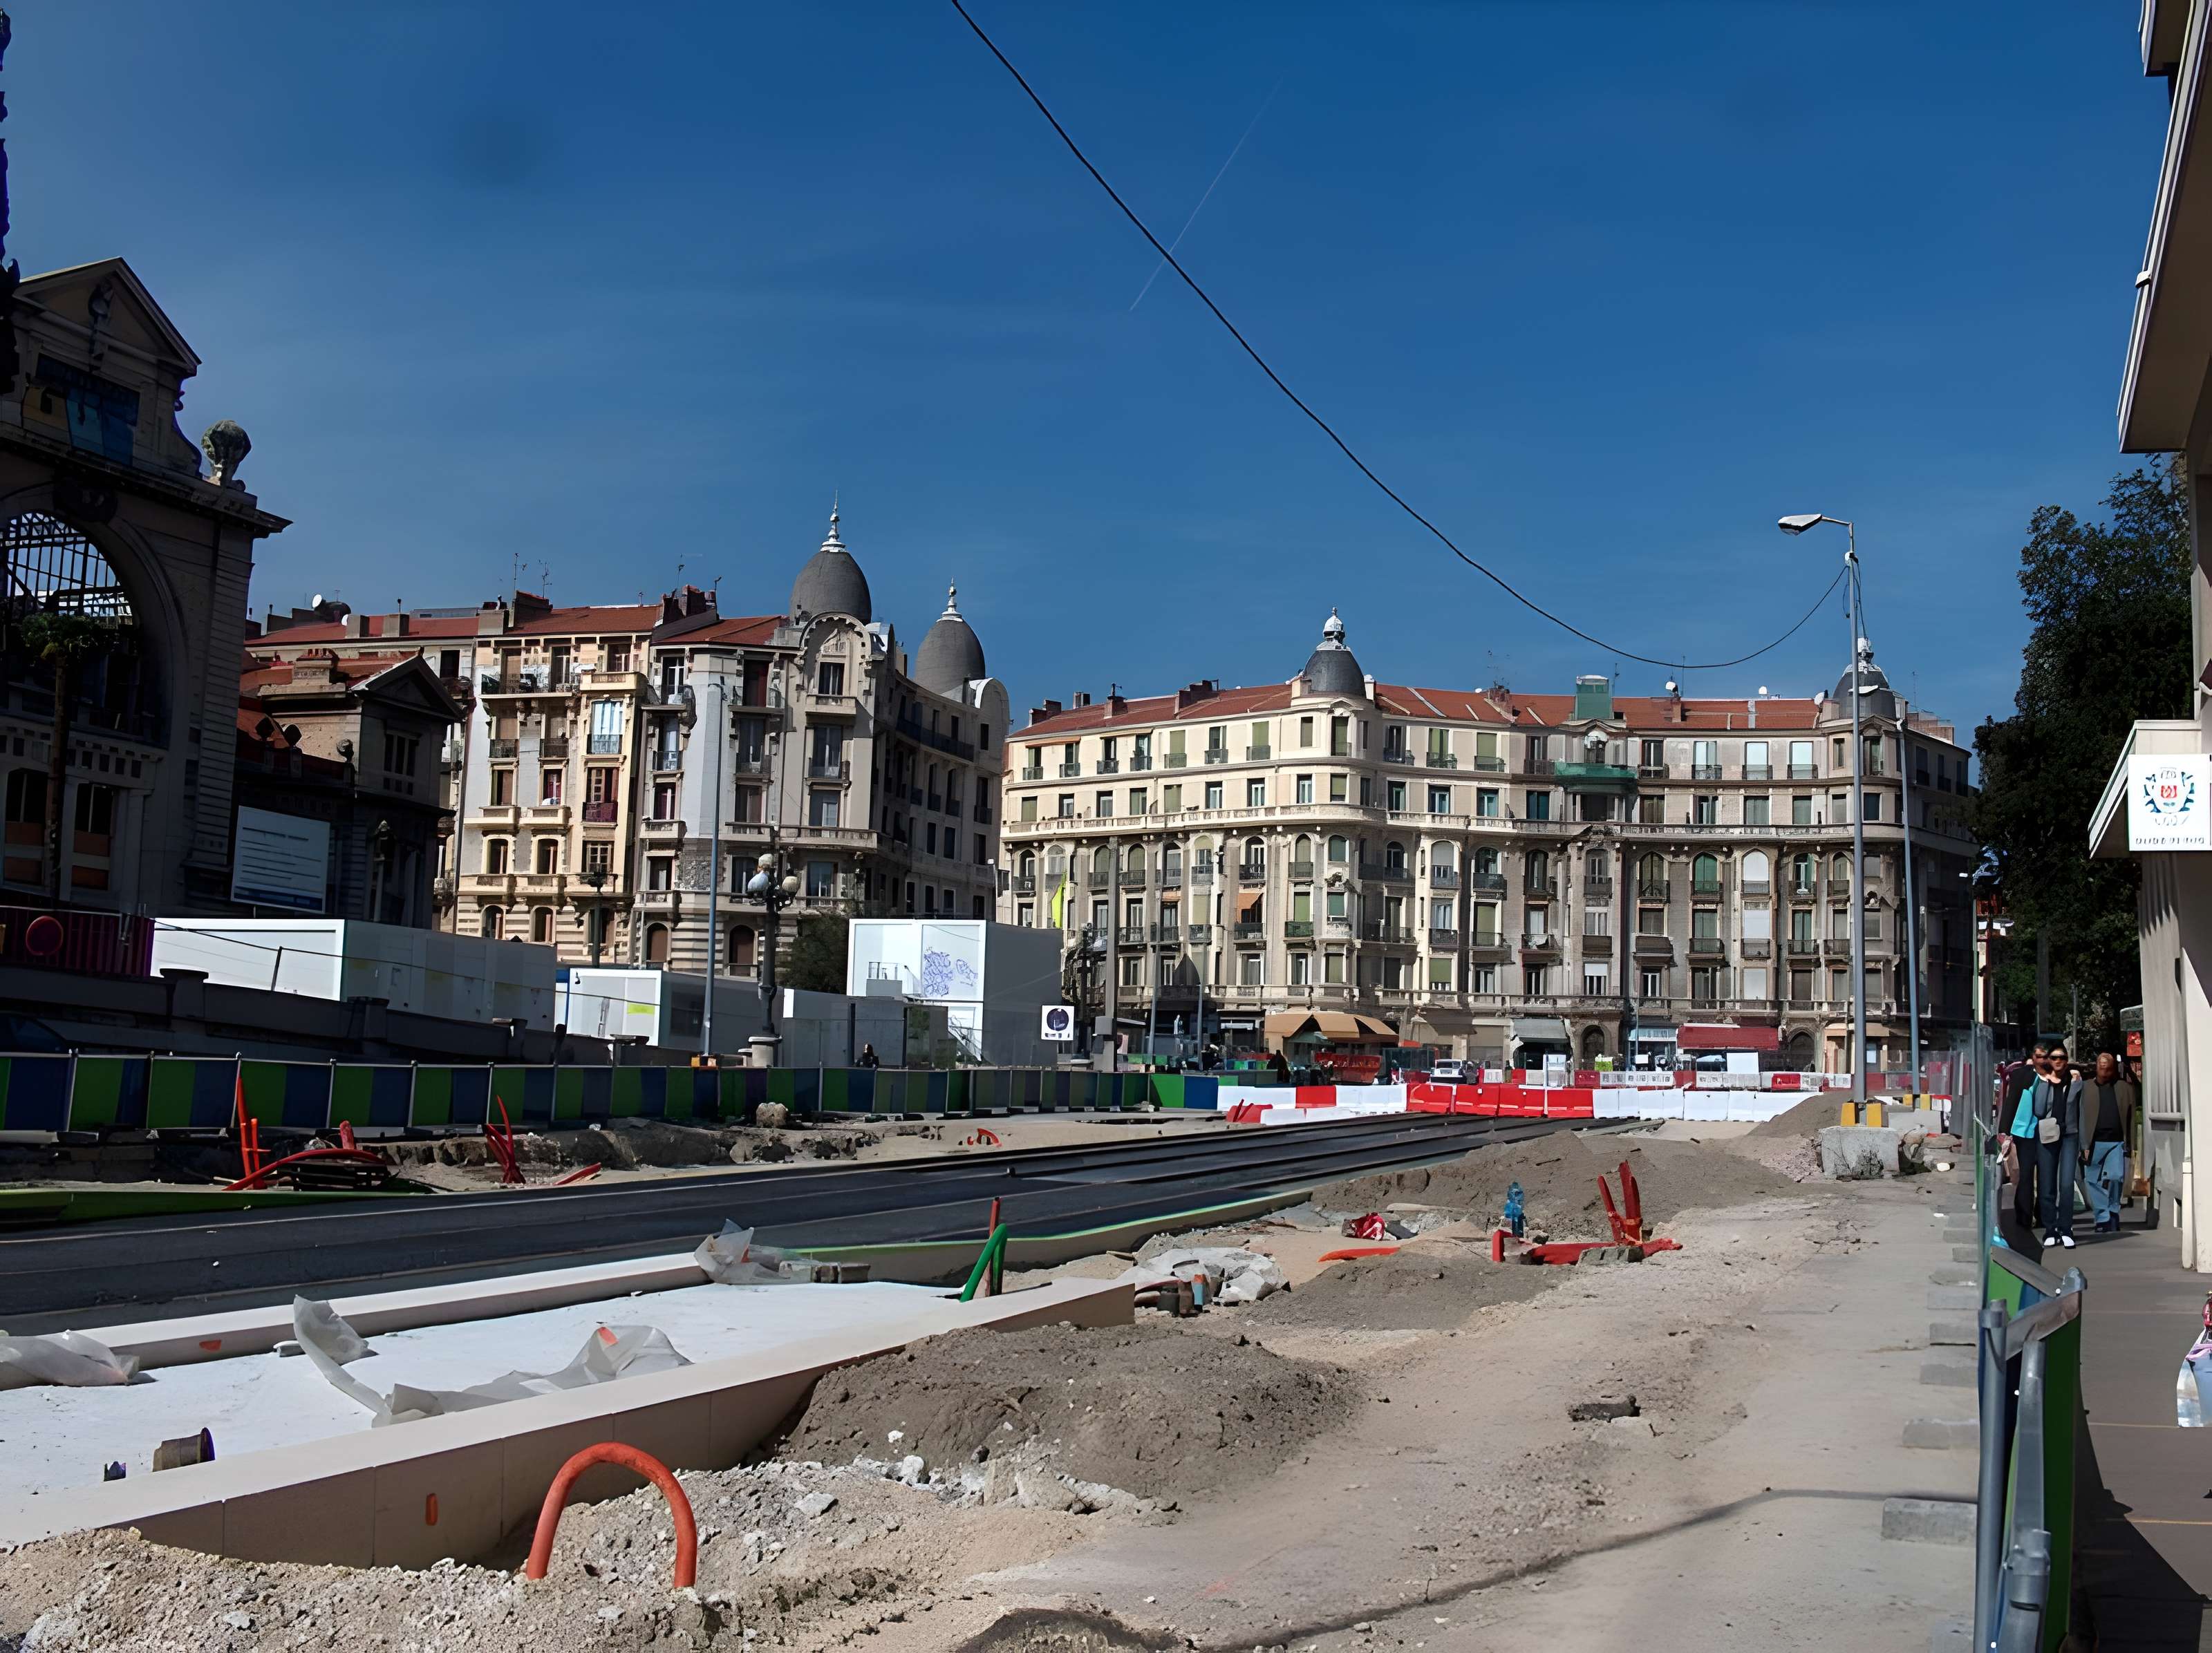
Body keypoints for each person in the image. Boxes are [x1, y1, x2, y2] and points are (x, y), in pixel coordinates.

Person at [2030, 1041, 2083, 1249]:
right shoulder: (2043, 1081)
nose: (2058, 1061)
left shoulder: (2076, 1081)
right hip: (2048, 1135)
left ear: (2066, 1060)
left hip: (2070, 1135)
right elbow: (2039, 1110)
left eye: (2062, 1057)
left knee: (2067, 1184)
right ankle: (2050, 1229)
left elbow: (2082, 1111)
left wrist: (2085, 1142)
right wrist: (2045, 1082)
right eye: (2054, 1058)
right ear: (2049, 1061)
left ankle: (2066, 1228)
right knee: (2047, 1184)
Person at [2080, 1050, 2137, 1233]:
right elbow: (2079, 1116)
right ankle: (2103, 1218)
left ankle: (2113, 1212)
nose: (2104, 1071)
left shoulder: (2125, 1089)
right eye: (2101, 1067)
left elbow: (2131, 1119)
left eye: (2108, 1068)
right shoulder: (2085, 1088)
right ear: (2096, 1067)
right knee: (2092, 1181)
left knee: (2115, 1177)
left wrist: (2131, 1145)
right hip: (2093, 1142)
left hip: (2116, 1142)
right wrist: (2083, 1145)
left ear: (2114, 1070)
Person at [2002, 1041, 2051, 1237]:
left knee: (2047, 1177)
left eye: (2046, 1056)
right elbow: (2011, 1100)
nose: (2043, 1060)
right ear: (2033, 1058)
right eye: (2039, 1056)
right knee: (2026, 1177)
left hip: (2049, 1134)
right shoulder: (2022, 1076)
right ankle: (2024, 1217)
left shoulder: (2056, 1076)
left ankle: (2044, 1216)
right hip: (2026, 1134)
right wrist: (2005, 1131)